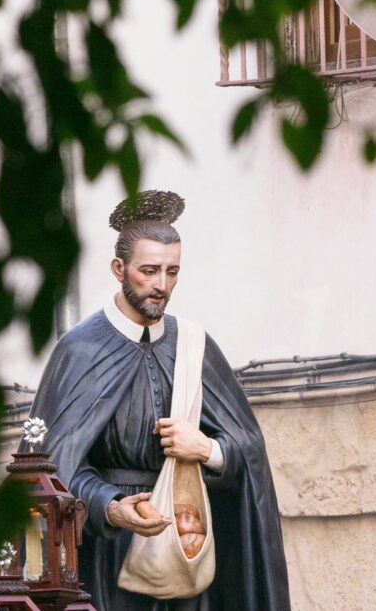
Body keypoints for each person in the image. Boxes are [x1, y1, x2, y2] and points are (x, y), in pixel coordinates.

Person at [24, 190, 290, 610]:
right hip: (110, 554)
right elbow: (48, 466)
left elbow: (249, 447)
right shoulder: (81, 349)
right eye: (148, 271)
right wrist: (110, 506)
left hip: (186, 543)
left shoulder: (194, 346)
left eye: (172, 272)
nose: (161, 285)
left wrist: (207, 449)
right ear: (119, 269)